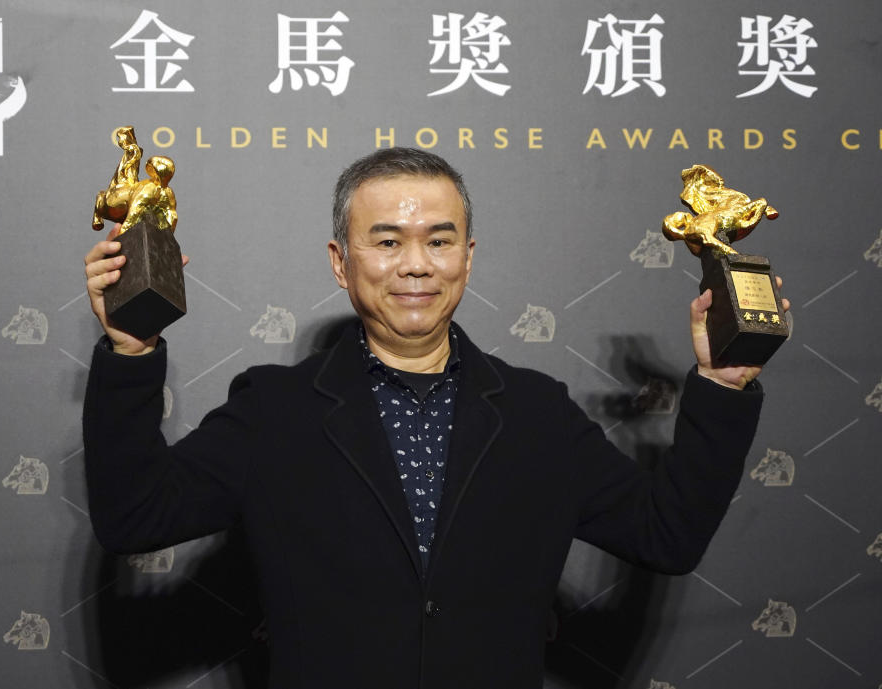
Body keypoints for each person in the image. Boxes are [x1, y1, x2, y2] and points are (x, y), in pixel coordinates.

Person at [82, 148, 787, 689]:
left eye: (439, 241)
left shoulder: (537, 413)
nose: (415, 265)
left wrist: (721, 386)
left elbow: (666, 534)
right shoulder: (274, 410)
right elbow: (136, 516)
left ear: (468, 257)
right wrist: (130, 348)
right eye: (386, 241)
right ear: (341, 261)